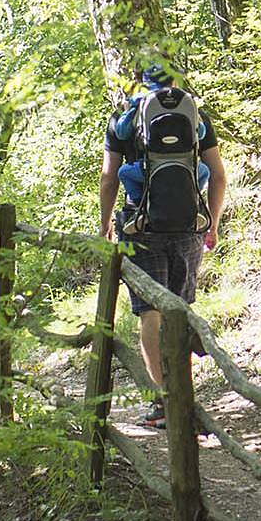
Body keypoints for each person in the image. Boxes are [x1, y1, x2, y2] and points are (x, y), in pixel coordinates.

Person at [99, 63, 227, 429]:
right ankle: (183, 396)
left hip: (141, 227)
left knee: (150, 314)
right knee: (179, 311)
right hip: (188, 225)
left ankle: (163, 402)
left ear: (140, 81)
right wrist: (212, 223)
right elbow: (218, 174)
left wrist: (106, 222)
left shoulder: (124, 118)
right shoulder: (195, 115)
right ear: (175, 80)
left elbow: (109, 177)